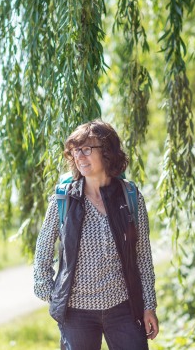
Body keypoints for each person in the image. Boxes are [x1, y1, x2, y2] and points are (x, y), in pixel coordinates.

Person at [33, 119, 159, 350]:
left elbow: (142, 257)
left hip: (124, 309)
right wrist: (55, 297)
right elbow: (42, 253)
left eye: (87, 149)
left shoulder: (130, 197)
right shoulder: (64, 199)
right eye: (75, 150)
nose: (80, 156)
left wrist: (148, 305)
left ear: (108, 152)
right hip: (77, 315)